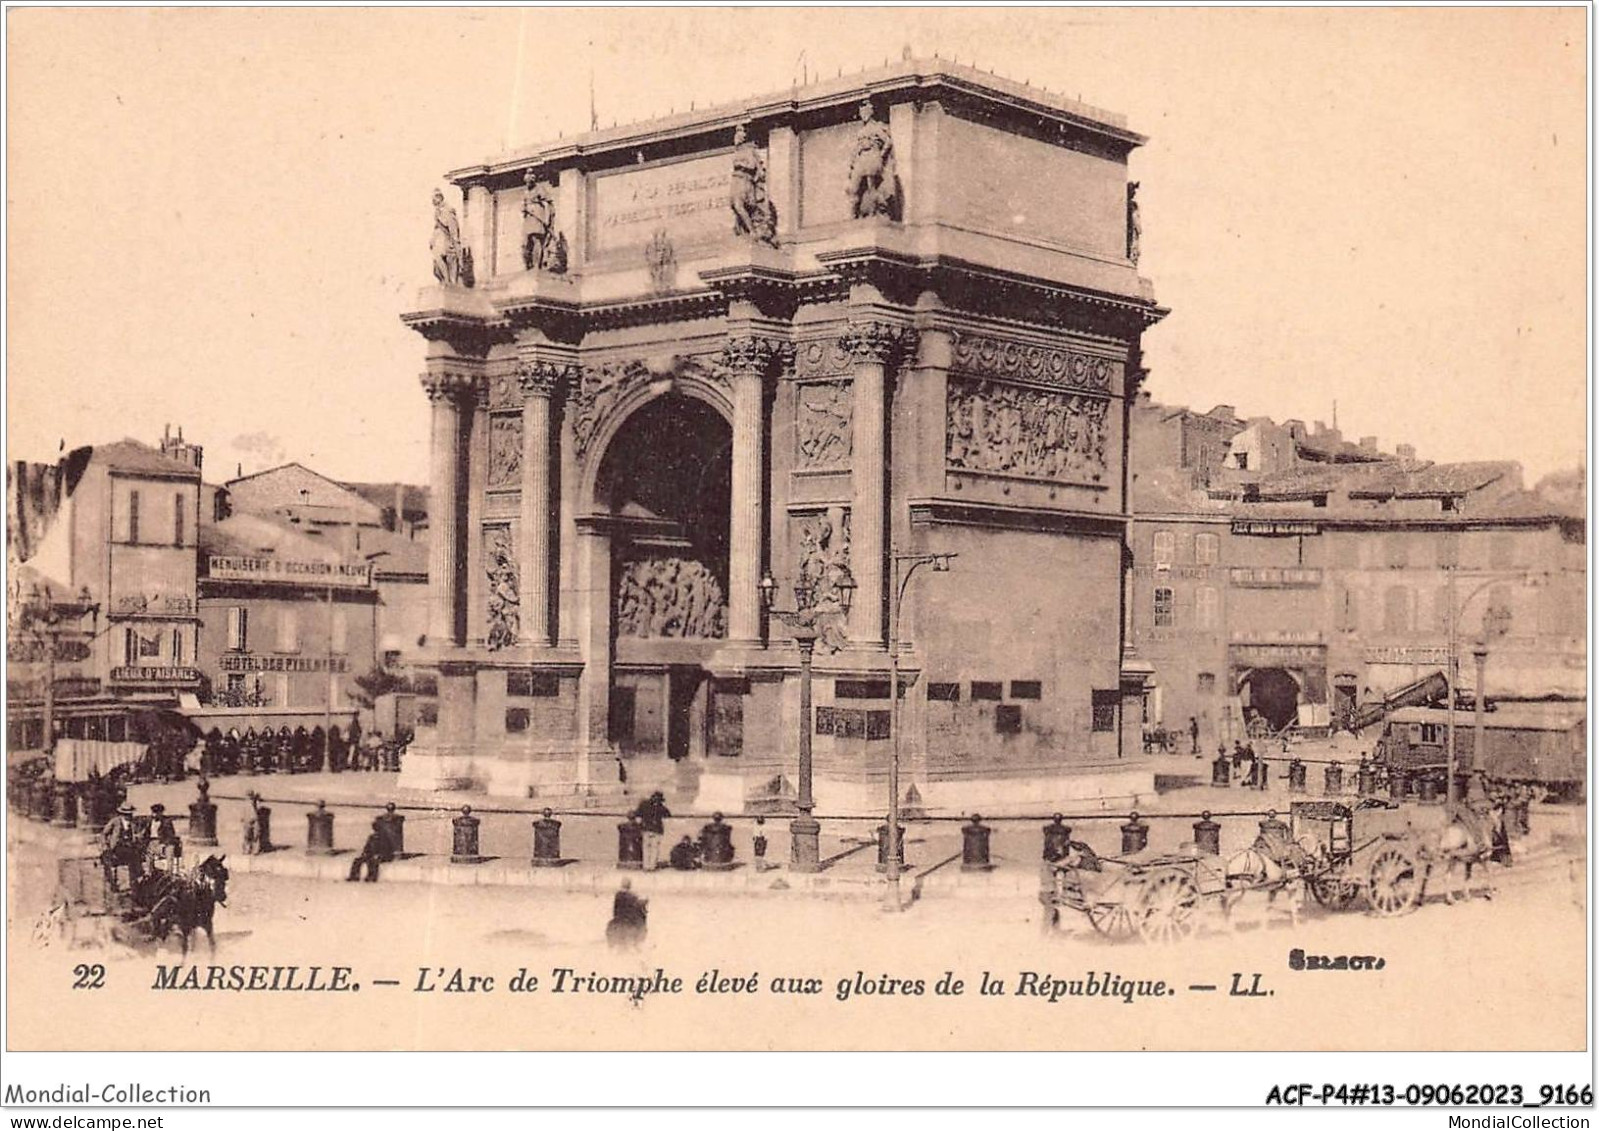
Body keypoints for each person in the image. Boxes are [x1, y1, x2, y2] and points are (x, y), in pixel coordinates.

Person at [100, 803, 140, 891]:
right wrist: (105, 846)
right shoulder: (115, 821)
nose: (128, 816)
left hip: (129, 846)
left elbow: (137, 835)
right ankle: (113, 883)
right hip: (116, 847)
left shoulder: (134, 823)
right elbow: (104, 834)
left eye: (129, 814)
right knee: (111, 862)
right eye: (126, 814)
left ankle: (134, 883)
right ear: (121, 813)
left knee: (136, 858)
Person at [606, 878, 648, 950]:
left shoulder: (618, 895)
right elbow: (637, 908)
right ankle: (637, 944)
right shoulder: (632, 896)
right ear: (630, 886)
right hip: (630, 922)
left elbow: (615, 911)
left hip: (618, 920)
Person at [633, 791, 670, 871]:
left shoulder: (644, 804)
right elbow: (668, 814)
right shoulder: (660, 807)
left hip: (646, 828)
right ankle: (652, 866)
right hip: (656, 829)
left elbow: (637, 813)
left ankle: (646, 866)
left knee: (646, 848)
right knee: (654, 848)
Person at [146, 803, 183, 873]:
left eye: (157, 812)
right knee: (148, 853)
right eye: (153, 812)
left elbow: (171, 835)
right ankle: (149, 872)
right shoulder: (149, 821)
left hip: (164, 842)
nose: (154, 814)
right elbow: (145, 834)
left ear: (161, 813)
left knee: (170, 849)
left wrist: (163, 844)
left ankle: (169, 872)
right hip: (152, 842)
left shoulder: (167, 822)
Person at [347, 819, 387, 883]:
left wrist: (379, 854)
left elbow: (385, 848)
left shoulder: (383, 837)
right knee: (357, 860)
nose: (375, 829)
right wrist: (364, 853)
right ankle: (354, 876)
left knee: (372, 861)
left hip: (378, 855)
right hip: (369, 854)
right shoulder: (371, 837)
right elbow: (367, 847)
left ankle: (371, 876)